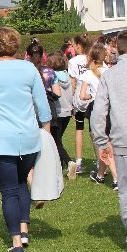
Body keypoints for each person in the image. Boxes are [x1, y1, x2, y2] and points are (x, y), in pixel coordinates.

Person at [0, 27, 52, 252]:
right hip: (29, 137)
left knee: (8, 190)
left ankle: (16, 242)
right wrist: (47, 133)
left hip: (2, 141)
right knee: (22, 182)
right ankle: (24, 230)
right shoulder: (29, 69)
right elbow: (42, 106)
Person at [90, 29, 127, 252]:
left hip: (124, 138)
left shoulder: (110, 75)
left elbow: (98, 112)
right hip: (125, 139)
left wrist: (101, 141)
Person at [79, 42, 117, 189]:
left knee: (102, 143)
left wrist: (91, 95)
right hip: (110, 106)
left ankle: (115, 178)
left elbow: (82, 96)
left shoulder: (87, 74)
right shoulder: (110, 71)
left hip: (96, 107)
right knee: (108, 141)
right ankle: (100, 174)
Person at [47, 51, 78, 179]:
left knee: (55, 141)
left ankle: (69, 162)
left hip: (57, 113)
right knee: (58, 139)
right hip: (67, 112)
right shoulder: (67, 76)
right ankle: (59, 165)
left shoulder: (52, 77)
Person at [68, 33, 92, 174]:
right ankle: (99, 162)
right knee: (94, 131)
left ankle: (79, 161)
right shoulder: (92, 58)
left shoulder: (73, 61)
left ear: (78, 45)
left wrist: (72, 102)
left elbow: (73, 83)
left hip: (79, 98)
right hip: (92, 96)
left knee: (79, 129)